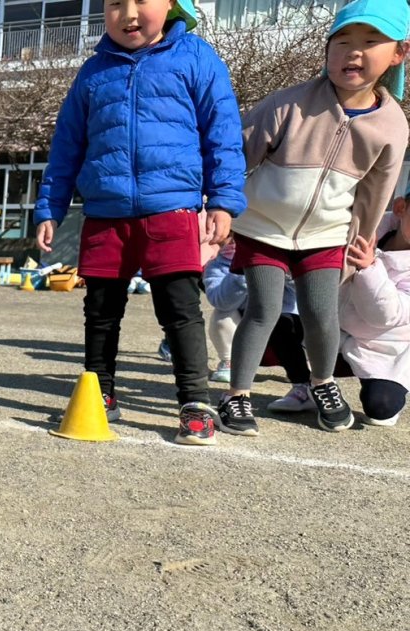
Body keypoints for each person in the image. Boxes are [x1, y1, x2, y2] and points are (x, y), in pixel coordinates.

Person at [34, 0, 246, 446]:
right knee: (100, 312)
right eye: (114, 4)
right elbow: (67, 145)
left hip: (172, 209)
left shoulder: (196, 56)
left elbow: (222, 133)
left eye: (140, 1)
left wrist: (223, 200)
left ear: (170, 5)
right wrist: (49, 207)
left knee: (180, 310)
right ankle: (100, 392)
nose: (128, 13)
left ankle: (194, 402)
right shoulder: (93, 72)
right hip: (105, 213)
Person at [216, 0, 410, 436]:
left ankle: (322, 384)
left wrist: (361, 241)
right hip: (263, 226)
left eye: (370, 42)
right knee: (263, 310)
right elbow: (236, 152)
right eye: (341, 41)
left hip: (327, 234)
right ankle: (237, 396)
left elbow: (375, 192)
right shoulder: (291, 102)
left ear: (399, 53)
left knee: (321, 315)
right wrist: (218, 204)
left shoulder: (392, 124)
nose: (352, 53)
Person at [203, 239, 316, 413]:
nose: (235, 242)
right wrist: (243, 271)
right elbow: (220, 301)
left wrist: (277, 275)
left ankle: (303, 375)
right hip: (242, 319)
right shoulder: (216, 265)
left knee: (284, 322)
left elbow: (302, 293)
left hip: (284, 319)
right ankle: (229, 361)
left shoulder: (282, 253)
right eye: (232, 237)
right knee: (221, 317)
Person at [337, 199, 410, 426]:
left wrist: (369, 269)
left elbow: (385, 316)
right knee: (281, 328)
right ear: (400, 209)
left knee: (380, 408)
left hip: (389, 345)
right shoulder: (368, 227)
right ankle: (306, 386)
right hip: (339, 330)